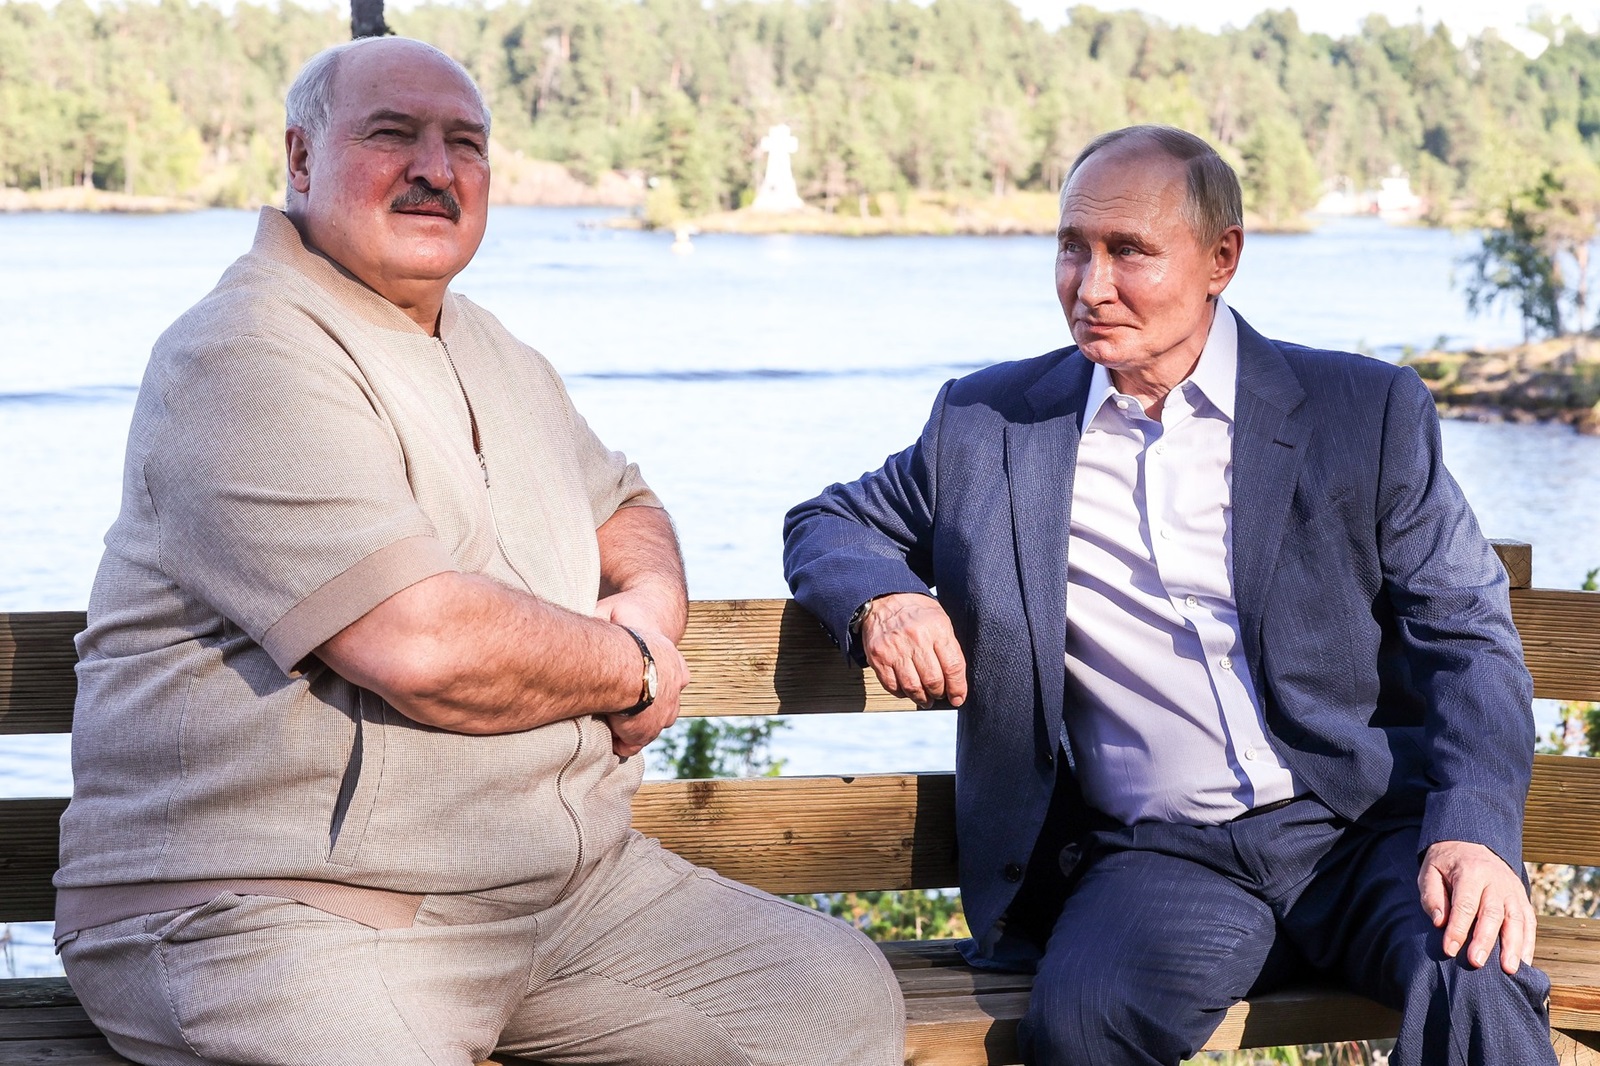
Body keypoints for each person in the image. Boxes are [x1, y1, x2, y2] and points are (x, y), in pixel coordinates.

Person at [56, 36, 903, 1066]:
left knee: (829, 1000)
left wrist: (643, 606)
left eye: (465, 142)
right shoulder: (243, 352)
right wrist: (632, 668)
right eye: (392, 135)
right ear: (300, 156)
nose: (436, 168)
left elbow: (627, 503)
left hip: (561, 895)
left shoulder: (495, 349)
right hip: (277, 911)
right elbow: (422, 646)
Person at [782, 124, 1555, 1066]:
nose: (1090, 284)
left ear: (1222, 258)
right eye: (1072, 247)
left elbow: (1468, 634)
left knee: (1478, 973)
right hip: (1167, 859)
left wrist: (1474, 832)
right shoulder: (991, 426)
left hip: (1359, 832)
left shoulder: (1364, 412)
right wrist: (882, 603)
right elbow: (827, 523)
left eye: (1128, 252)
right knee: (1078, 1027)